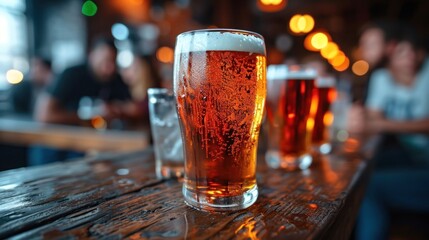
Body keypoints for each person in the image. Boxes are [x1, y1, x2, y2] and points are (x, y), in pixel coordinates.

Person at [355, 26, 429, 240]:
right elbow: (370, 119)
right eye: (402, 52)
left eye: (415, 51)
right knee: (361, 170)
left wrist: (382, 124)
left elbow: (375, 123)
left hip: (422, 161)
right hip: (415, 156)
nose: (410, 58)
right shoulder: (381, 77)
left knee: (369, 185)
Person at [31, 38, 131, 165]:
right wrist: (87, 117)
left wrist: (117, 111)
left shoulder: (115, 80)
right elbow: (43, 115)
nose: (109, 68)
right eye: (104, 61)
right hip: (54, 144)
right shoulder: (72, 74)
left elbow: (130, 108)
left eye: (112, 62)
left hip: (90, 147)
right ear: (91, 55)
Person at [120, 54, 161, 125]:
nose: (126, 71)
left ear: (144, 71)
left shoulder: (153, 94)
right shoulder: (124, 90)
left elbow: (140, 111)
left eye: (134, 68)